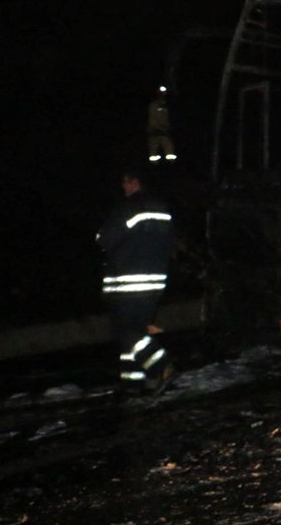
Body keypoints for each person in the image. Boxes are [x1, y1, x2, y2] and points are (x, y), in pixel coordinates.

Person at [96, 165, 178, 395]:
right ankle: (132, 382)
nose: (123, 186)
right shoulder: (162, 210)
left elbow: (104, 238)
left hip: (127, 280)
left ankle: (162, 366)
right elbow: (170, 243)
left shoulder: (128, 208)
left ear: (134, 183)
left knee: (128, 331)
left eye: (126, 181)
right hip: (155, 281)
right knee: (135, 330)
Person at [147, 85, 177, 163]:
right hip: (155, 131)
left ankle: (170, 162)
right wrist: (157, 128)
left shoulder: (167, 105)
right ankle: (154, 162)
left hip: (164, 132)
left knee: (168, 147)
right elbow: (152, 118)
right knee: (153, 149)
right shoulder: (153, 105)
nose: (162, 96)